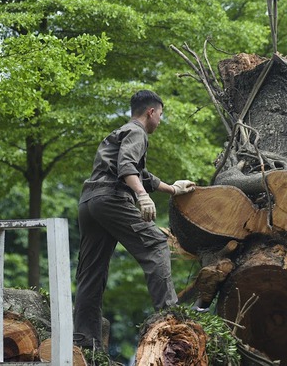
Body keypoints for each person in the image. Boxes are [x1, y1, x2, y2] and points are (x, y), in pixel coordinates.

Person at [73, 90, 196, 351]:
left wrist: (173, 189)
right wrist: (142, 197)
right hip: (112, 198)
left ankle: (84, 342)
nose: (160, 121)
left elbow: (141, 173)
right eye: (160, 115)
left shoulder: (120, 133)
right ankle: (171, 321)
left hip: (89, 202)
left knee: (91, 273)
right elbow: (127, 166)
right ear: (150, 112)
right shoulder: (137, 132)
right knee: (156, 243)